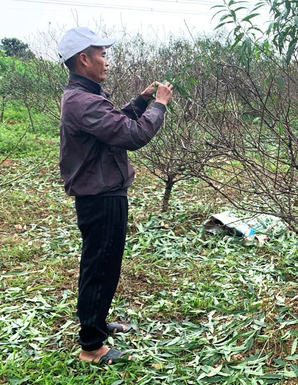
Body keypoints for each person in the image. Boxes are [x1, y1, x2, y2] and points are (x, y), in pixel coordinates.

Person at [58, 27, 173, 364]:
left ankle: (98, 323)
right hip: (101, 196)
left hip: (104, 192)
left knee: (105, 264)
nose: (107, 62)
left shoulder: (85, 97)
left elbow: (114, 122)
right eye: (102, 55)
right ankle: (91, 347)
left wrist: (141, 101)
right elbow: (133, 134)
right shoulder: (83, 101)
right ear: (84, 59)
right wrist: (160, 106)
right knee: (100, 267)